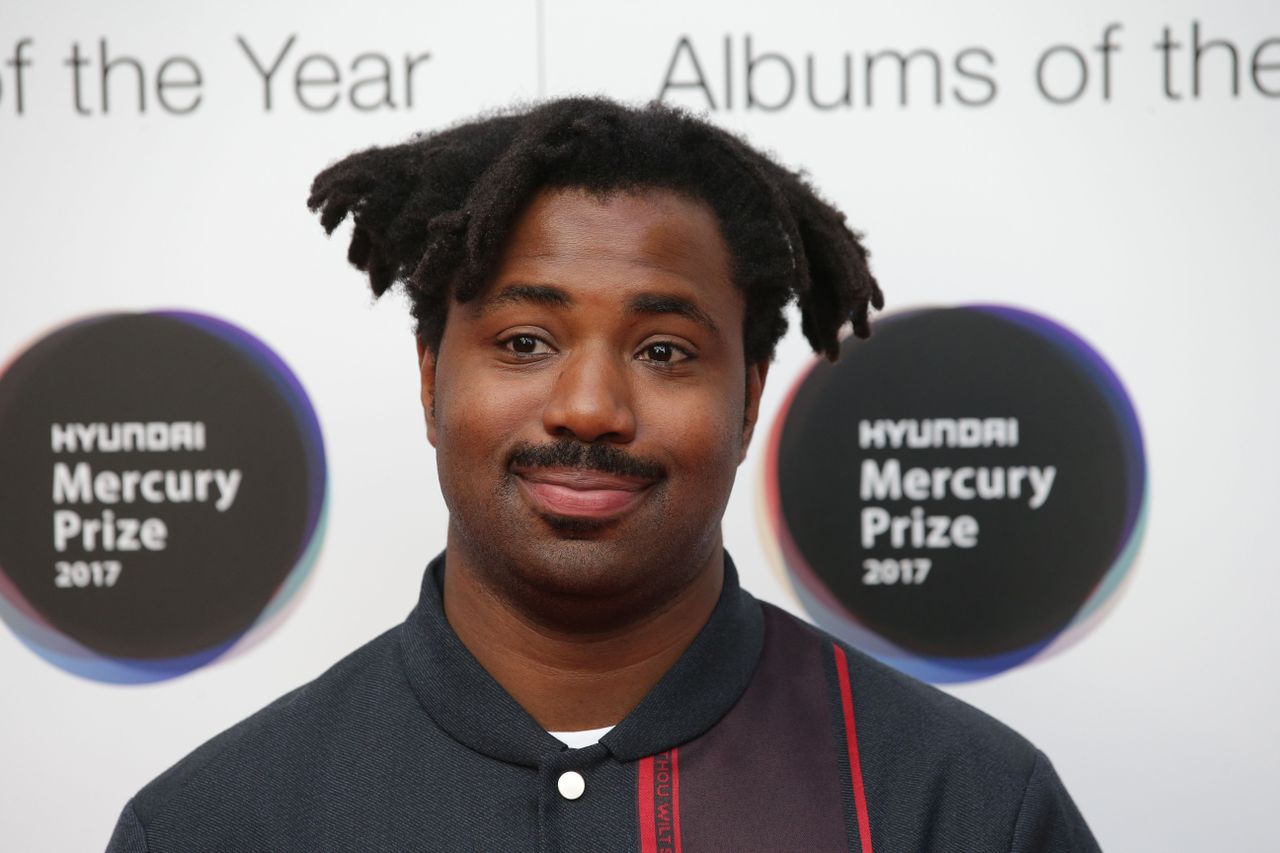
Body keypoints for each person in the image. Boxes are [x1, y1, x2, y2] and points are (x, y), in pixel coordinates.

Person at [106, 97, 1100, 852]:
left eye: (664, 350)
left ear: (749, 394)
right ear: (428, 378)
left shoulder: (960, 806)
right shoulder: (216, 822)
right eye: (526, 339)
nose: (588, 406)